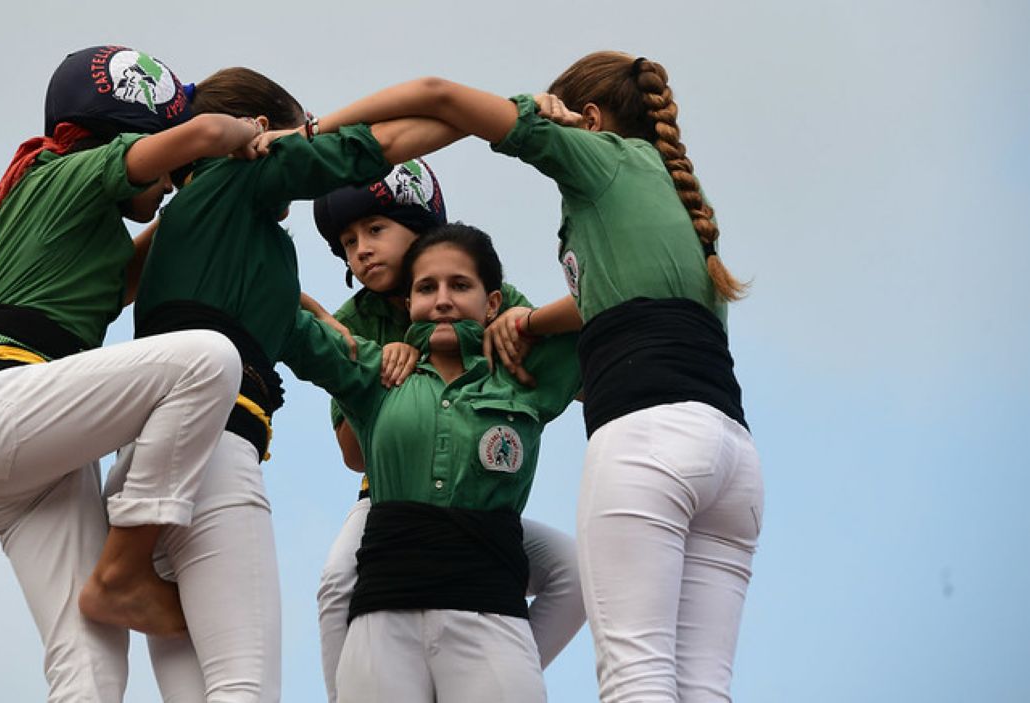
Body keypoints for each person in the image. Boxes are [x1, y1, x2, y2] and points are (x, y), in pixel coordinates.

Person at [310, 54, 765, 702]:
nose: (361, 248)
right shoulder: (685, 197)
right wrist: (517, 326)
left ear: (589, 121)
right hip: (731, 453)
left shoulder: (598, 163)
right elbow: (614, 298)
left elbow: (438, 93)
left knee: (636, 673)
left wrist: (311, 136)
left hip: (644, 439)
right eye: (348, 241)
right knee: (703, 686)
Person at [0, 45, 267, 702]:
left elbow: (155, 252)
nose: (170, 181)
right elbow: (199, 135)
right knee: (208, 359)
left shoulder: (82, 225)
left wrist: (212, 196)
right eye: (163, 163)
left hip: (13, 450)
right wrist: (247, 134)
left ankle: (122, 576)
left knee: (90, 670)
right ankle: (129, 564)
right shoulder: (68, 170)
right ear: (123, 140)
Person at [116, 67, 468, 703]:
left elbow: (317, 348)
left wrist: (387, 361)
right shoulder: (240, 173)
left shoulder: (206, 233)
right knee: (244, 685)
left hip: (142, 466)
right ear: (259, 133)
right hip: (212, 450)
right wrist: (495, 117)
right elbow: (376, 145)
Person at [306, 160, 585, 702]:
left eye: (375, 229)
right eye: (348, 242)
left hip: (477, 507)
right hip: (391, 503)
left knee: (575, 569)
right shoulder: (355, 319)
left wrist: (527, 326)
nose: (362, 250)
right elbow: (354, 457)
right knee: (338, 581)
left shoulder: (494, 299)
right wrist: (374, 370)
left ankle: (486, 673)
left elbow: (562, 378)